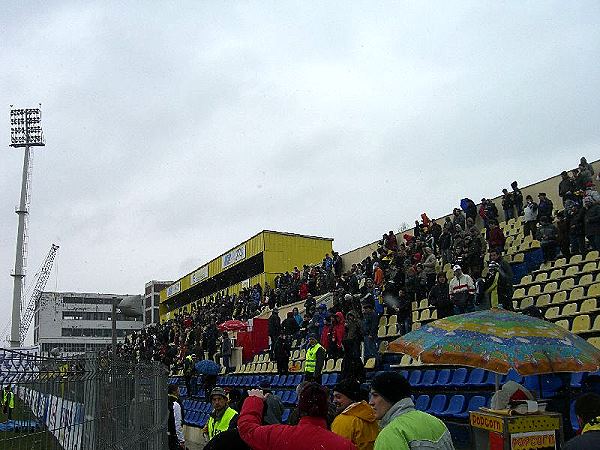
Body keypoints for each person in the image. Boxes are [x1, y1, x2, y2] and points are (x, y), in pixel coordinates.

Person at [238, 382, 357, 450]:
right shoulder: (345, 446)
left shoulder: (280, 436)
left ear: (299, 407)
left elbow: (247, 429)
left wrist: (254, 400)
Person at [369, 371, 454, 450]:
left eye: (375, 395)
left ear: (390, 396)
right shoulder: (436, 422)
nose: (371, 402)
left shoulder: (389, 435)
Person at [331, 379, 379, 450]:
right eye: (333, 397)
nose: (334, 401)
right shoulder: (373, 415)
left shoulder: (342, 420)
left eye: (338, 397)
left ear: (351, 397)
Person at [167, 384, 185, 450]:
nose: (179, 392)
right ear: (174, 392)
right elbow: (177, 423)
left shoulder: (163, 401)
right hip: (172, 436)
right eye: (178, 390)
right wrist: (181, 440)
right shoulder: (175, 404)